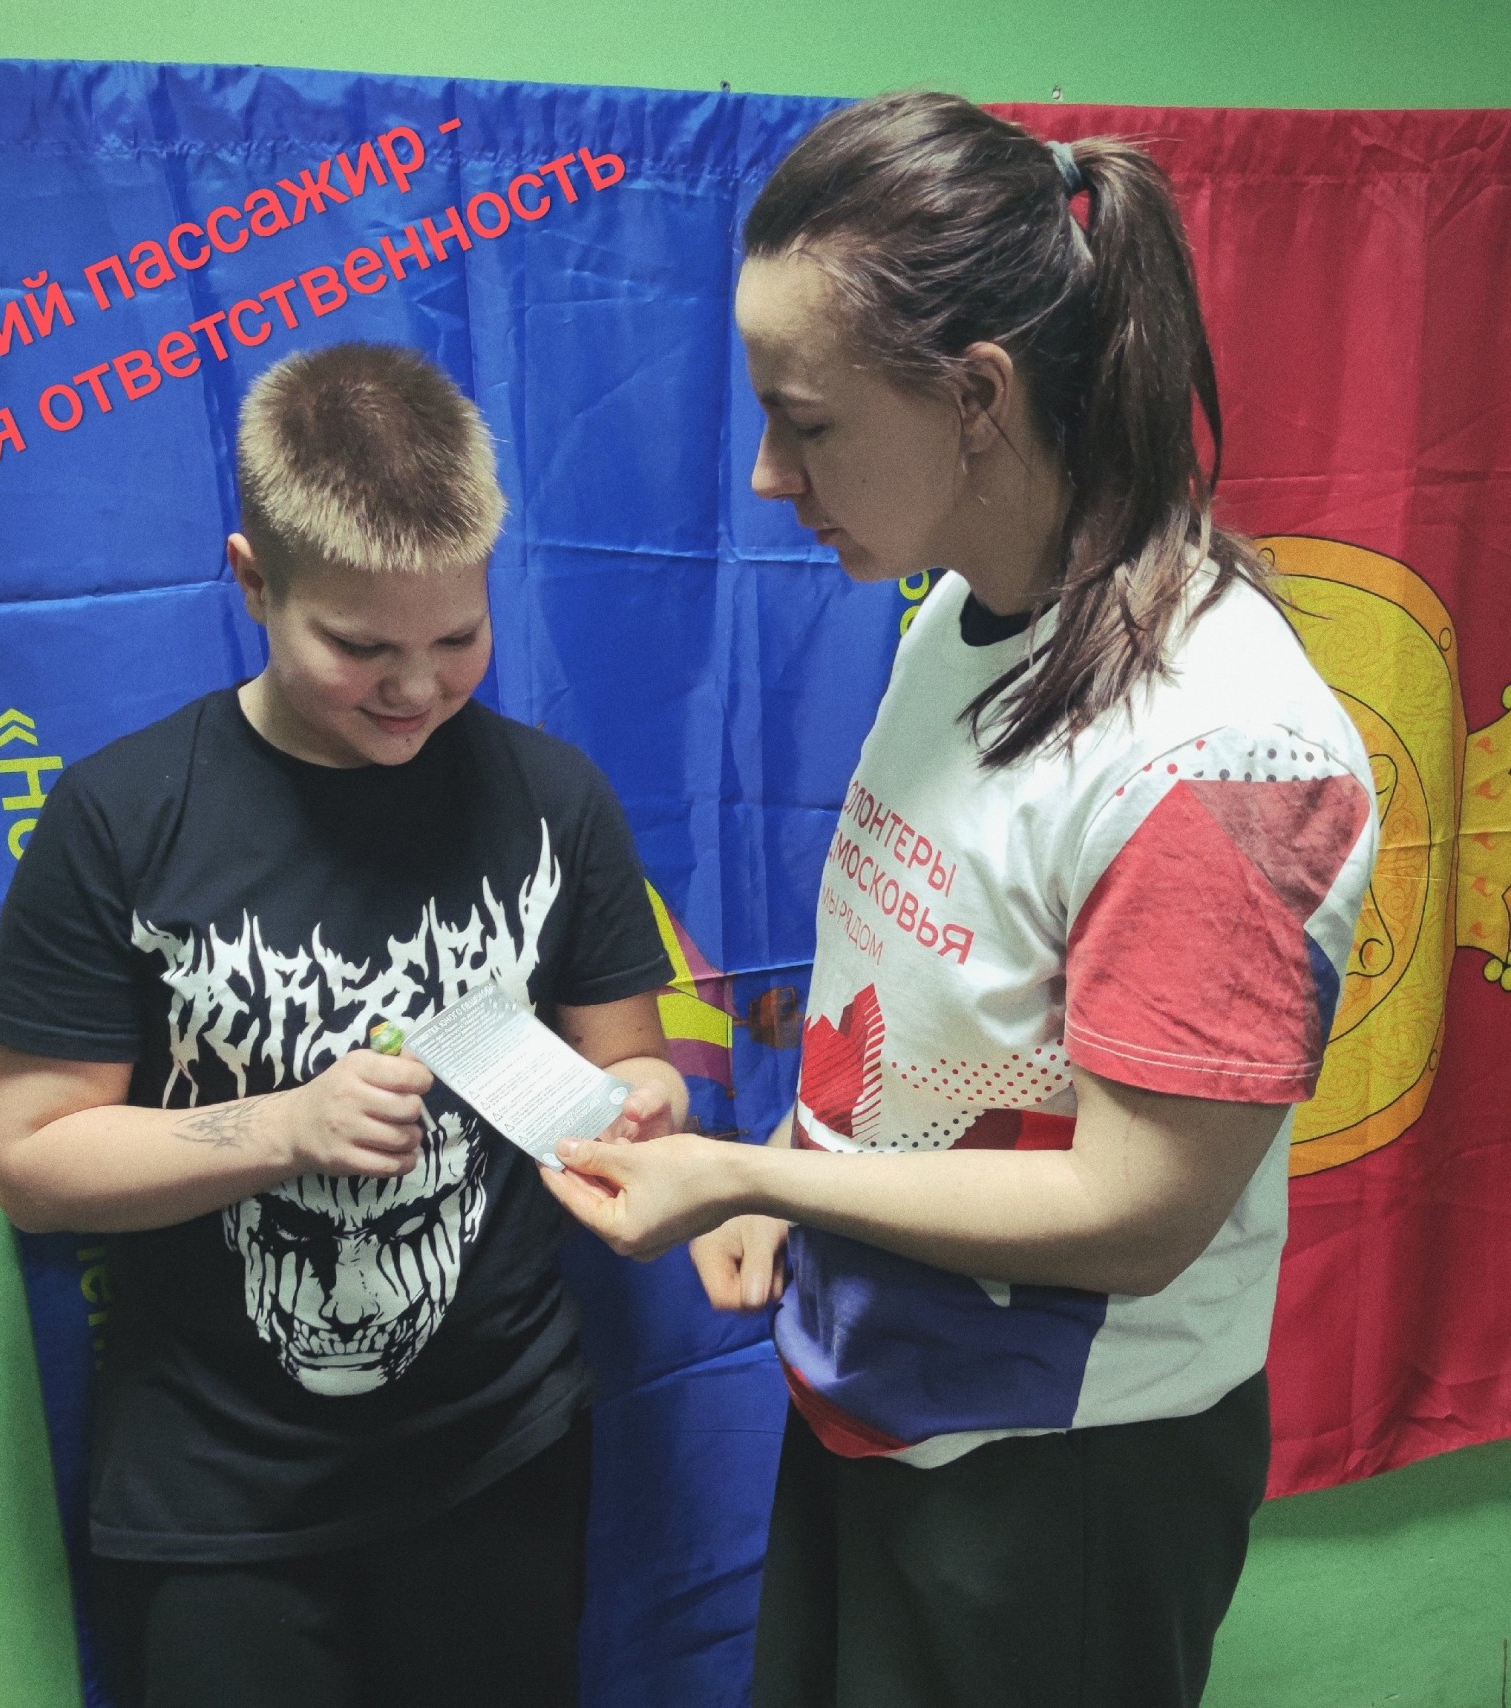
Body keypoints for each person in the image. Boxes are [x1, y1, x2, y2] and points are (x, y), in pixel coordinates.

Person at [543, 92, 1379, 1708]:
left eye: (808, 421)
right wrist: (789, 1181)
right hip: (887, 1399)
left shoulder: (1217, 751)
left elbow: (1140, 1212)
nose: (771, 474)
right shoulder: (970, 612)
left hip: (1054, 1476)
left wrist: (745, 1173)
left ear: (978, 395)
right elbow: (950, 1022)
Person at [0, 341, 685, 1708]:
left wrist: (648, 1109)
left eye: (457, 638)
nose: (415, 688)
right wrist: (283, 1128)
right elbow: (30, 1156)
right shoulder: (121, 818)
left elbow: (633, 1063)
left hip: (500, 1459)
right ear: (253, 581)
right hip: (219, 1501)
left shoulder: (554, 799)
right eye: (360, 648)